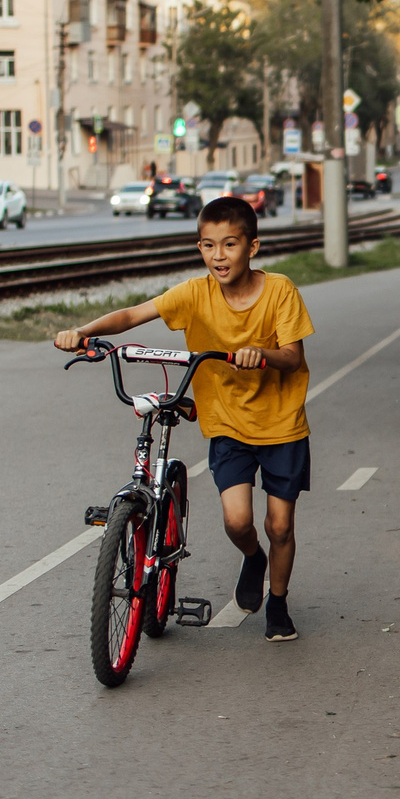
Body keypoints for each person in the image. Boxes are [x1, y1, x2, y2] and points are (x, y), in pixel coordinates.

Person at [52, 196, 316, 642]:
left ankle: (278, 602)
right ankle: (254, 558)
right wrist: (84, 332)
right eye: (209, 246)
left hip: (281, 424)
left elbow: (293, 357)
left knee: (280, 525)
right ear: (200, 248)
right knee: (237, 521)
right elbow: (134, 314)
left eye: (229, 245)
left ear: (252, 247)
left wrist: (262, 355)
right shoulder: (195, 293)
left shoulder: (280, 291)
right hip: (227, 423)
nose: (219, 256)